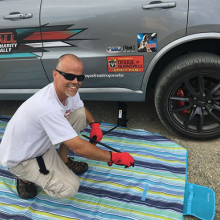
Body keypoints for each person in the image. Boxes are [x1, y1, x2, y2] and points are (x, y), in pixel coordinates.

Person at [0, 54, 134, 200]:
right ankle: (23, 177)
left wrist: (94, 124)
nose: (75, 82)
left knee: (80, 115)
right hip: (24, 158)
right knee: (70, 187)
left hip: (42, 142)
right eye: (69, 76)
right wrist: (114, 157)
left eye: (79, 78)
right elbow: (79, 148)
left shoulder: (68, 91)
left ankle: (62, 159)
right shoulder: (47, 107)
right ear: (55, 74)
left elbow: (81, 110)